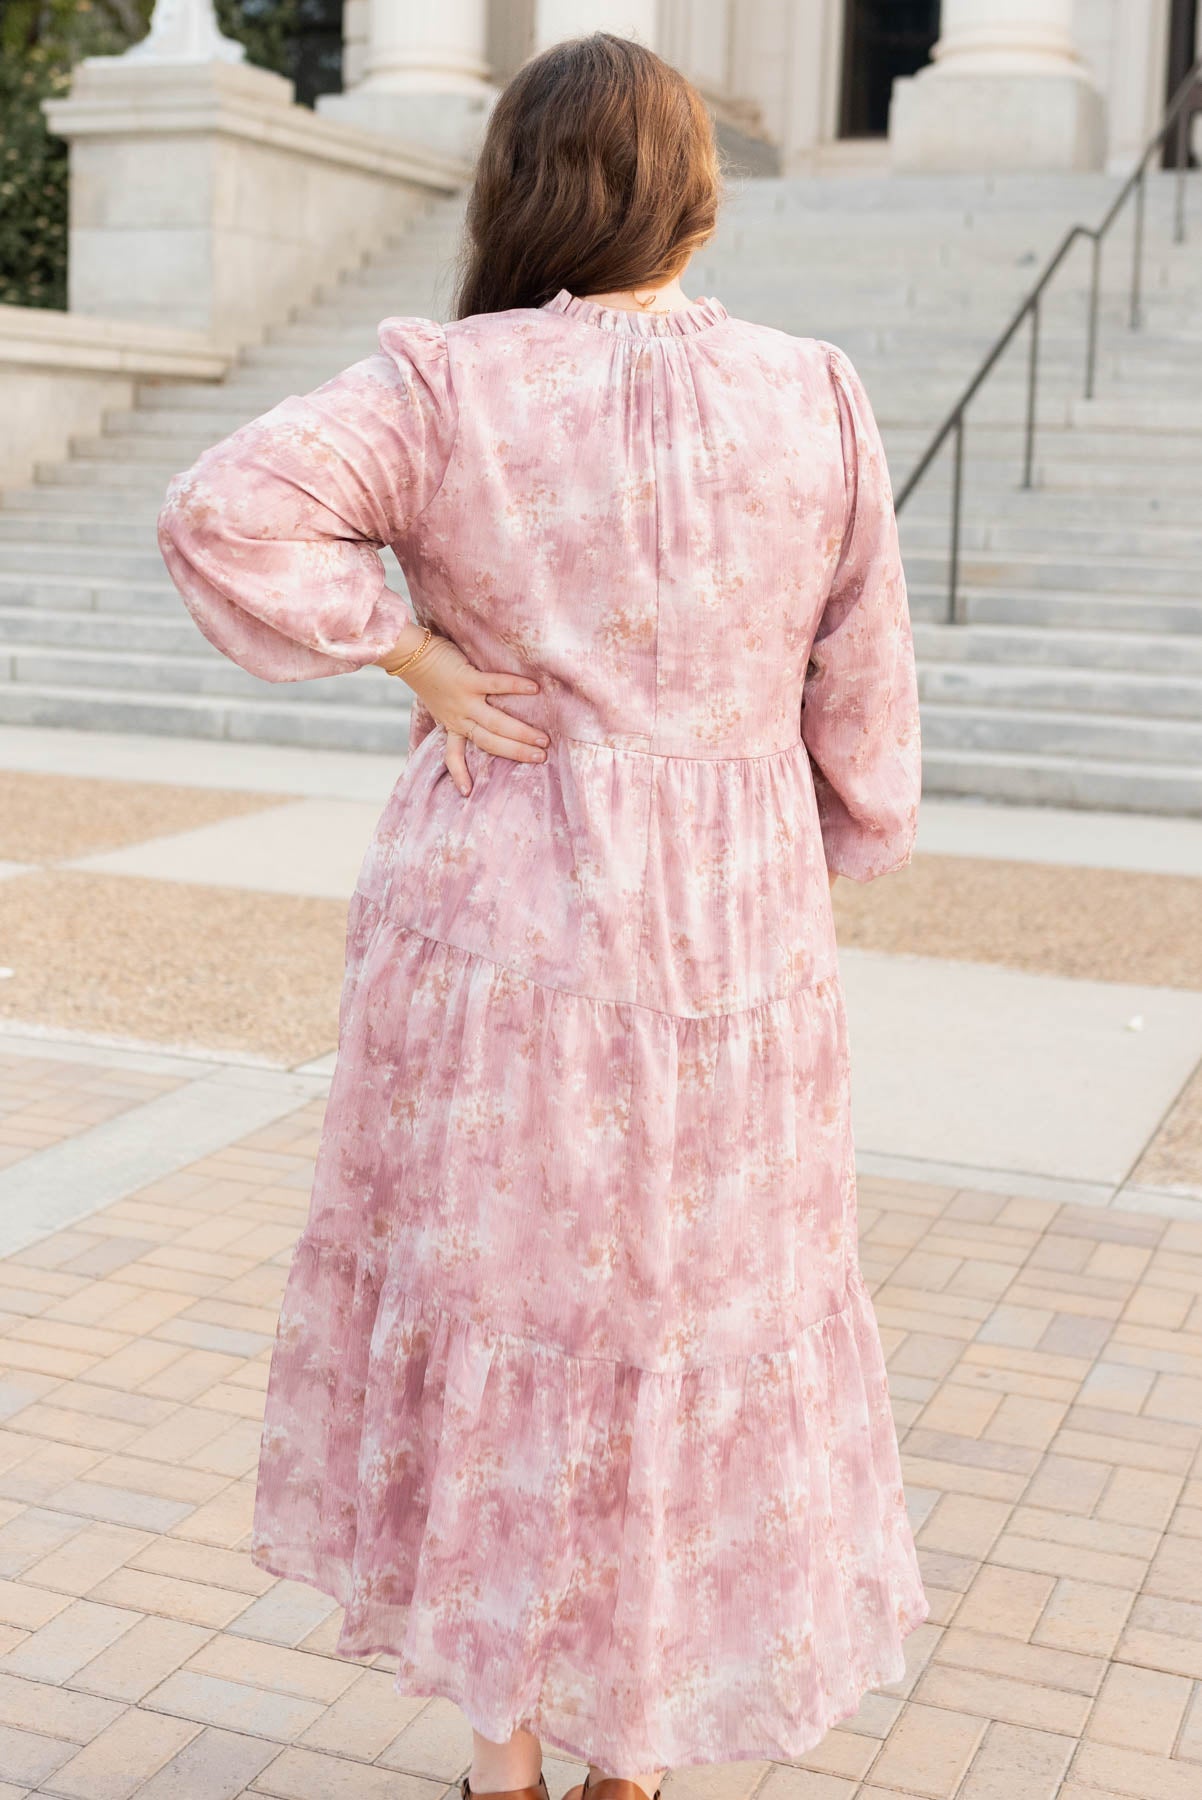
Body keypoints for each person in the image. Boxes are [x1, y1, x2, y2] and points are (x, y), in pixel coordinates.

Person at [157, 30, 927, 1800]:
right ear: (696, 191)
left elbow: (225, 510)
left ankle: (502, 1758)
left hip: (502, 923)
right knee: (695, 1325)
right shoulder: (810, 389)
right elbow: (863, 684)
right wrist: (824, 826)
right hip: (731, 936)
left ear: (520, 188)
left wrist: (414, 653)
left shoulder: (447, 386)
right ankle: (631, 1754)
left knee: (506, 1313)